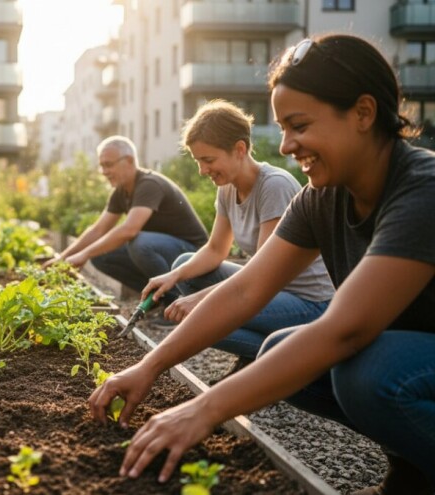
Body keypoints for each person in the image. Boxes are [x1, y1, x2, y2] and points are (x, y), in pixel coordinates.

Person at [89, 34, 435, 495]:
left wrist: (205, 408)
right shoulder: (322, 198)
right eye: (283, 128)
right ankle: (413, 469)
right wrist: (148, 368)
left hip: (400, 354)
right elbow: (245, 289)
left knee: (369, 373)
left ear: (363, 113)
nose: (286, 145)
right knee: (279, 351)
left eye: (299, 125)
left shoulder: (422, 191)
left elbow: (346, 330)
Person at [142, 100, 334, 384]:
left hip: (310, 303)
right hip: (269, 291)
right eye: (198, 161)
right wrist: (173, 277)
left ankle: (282, 357)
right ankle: (259, 353)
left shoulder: (274, 186)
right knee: (185, 265)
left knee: (202, 316)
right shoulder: (228, 188)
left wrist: (201, 301)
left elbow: (263, 273)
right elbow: (215, 250)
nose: (202, 170)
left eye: (208, 160)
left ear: (240, 150)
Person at [45, 136, 209, 299]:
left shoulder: (149, 184)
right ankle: (155, 298)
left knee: (140, 243)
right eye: (102, 166)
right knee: (101, 255)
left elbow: (129, 230)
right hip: (166, 251)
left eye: (109, 165)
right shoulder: (121, 192)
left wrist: (84, 254)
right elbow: (98, 230)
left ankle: (174, 300)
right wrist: (62, 259)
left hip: (193, 254)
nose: (104, 172)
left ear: (129, 160)